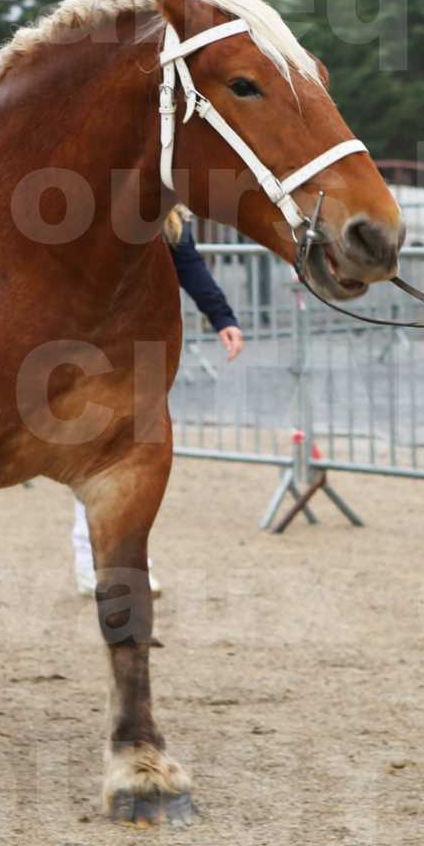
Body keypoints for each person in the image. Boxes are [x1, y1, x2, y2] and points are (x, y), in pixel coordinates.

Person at [72, 210, 245, 597]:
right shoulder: (99, 210)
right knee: (93, 456)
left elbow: (192, 268)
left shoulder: (172, 220)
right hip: (94, 345)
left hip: (146, 348)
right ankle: (89, 558)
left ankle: (133, 562)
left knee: (140, 460)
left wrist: (223, 319)